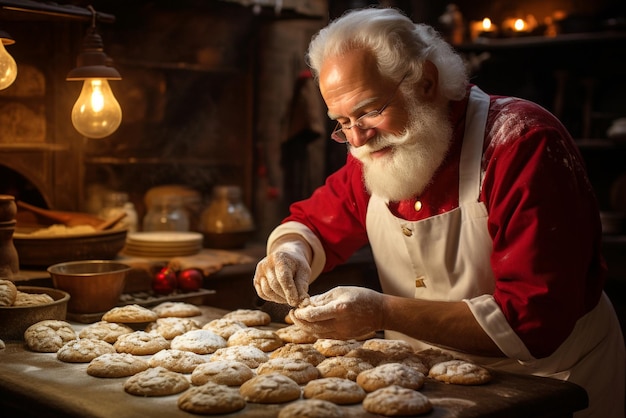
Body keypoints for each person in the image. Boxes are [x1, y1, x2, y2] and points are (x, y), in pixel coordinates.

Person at [252, 7, 625, 418]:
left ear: (426, 81)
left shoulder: (522, 142)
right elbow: (312, 223)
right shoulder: (373, 149)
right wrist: (289, 253)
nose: (357, 139)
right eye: (342, 122)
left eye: (370, 110)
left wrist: (381, 311)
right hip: (424, 386)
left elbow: (533, 320)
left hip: (549, 382)